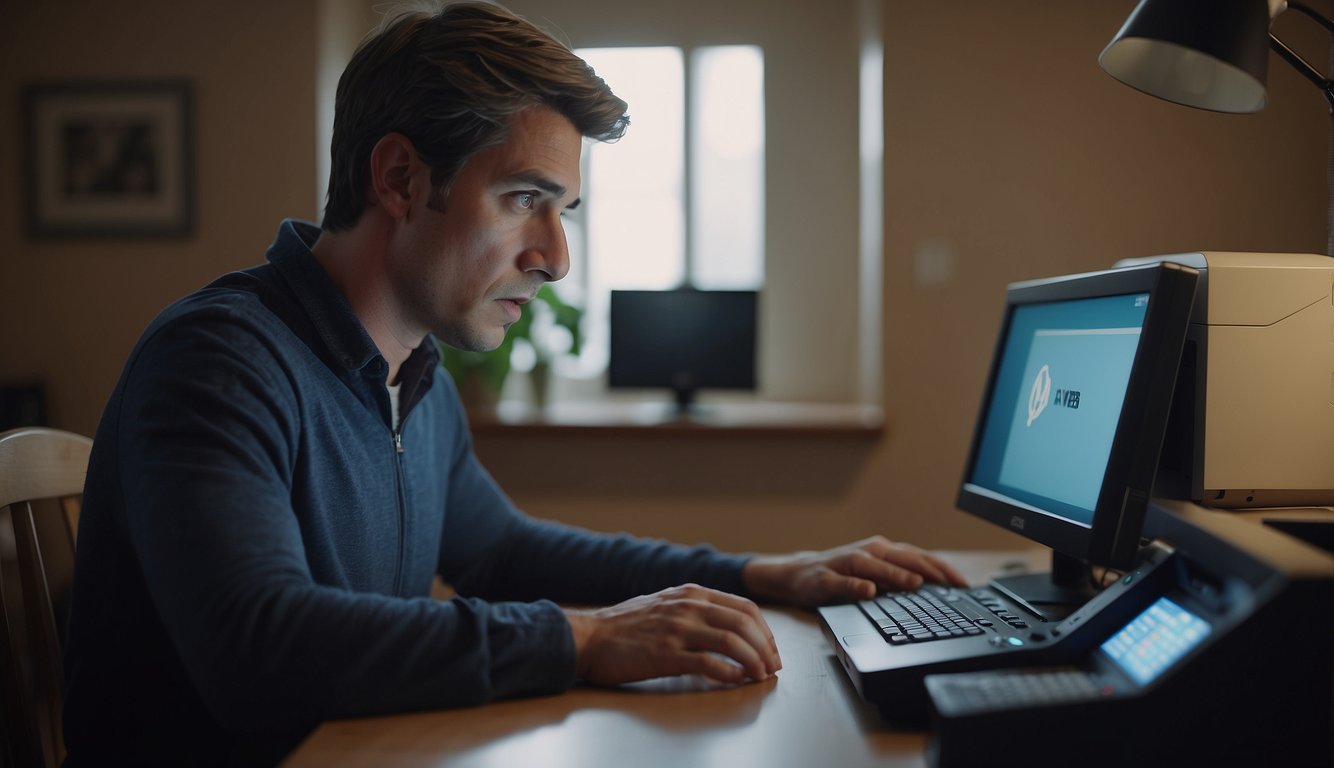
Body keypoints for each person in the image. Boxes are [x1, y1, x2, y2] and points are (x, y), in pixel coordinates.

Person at [61, 2, 966, 765]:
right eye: (525, 199)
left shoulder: (410, 374)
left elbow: (504, 554)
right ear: (402, 178)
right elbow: (257, 650)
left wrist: (765, 573)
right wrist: (589, 638)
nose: (557, 257)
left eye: (562, 210)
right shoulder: (220, 363)